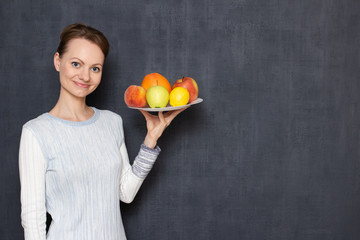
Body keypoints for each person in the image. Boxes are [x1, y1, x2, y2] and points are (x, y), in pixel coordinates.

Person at [18, 23, 187, 240]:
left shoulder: (111, 122)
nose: (85, 76)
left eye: (95, 68)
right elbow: (33, 220)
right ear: (58, 61)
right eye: (76, 64)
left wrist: (151, 140)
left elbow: (125, 193)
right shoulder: (36, 132)